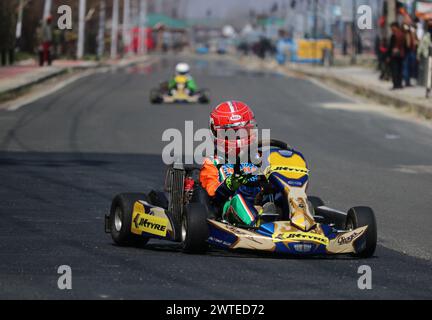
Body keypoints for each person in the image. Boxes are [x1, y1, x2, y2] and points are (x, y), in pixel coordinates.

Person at [199, 101, 263, 227]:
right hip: (229, 207)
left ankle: (302, 220)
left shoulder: (260, 158)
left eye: (245, 131)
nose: (240, 138)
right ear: (218, 134)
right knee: (238, 200)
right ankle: (257, 223)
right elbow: (212, 194)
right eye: (233, 133)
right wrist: (229, 184)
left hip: (261, 200)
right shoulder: (212, 163)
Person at [388, 22, 406, 90]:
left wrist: (388, 56)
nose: (391, 29)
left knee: (395, 70)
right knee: (400, 70)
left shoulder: (394, 35)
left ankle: (396, 85)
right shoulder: (402, 34)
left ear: (395, 27)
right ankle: (399, 84)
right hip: (401, 55)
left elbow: (391, 47)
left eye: (392, 27)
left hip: (394, 56)